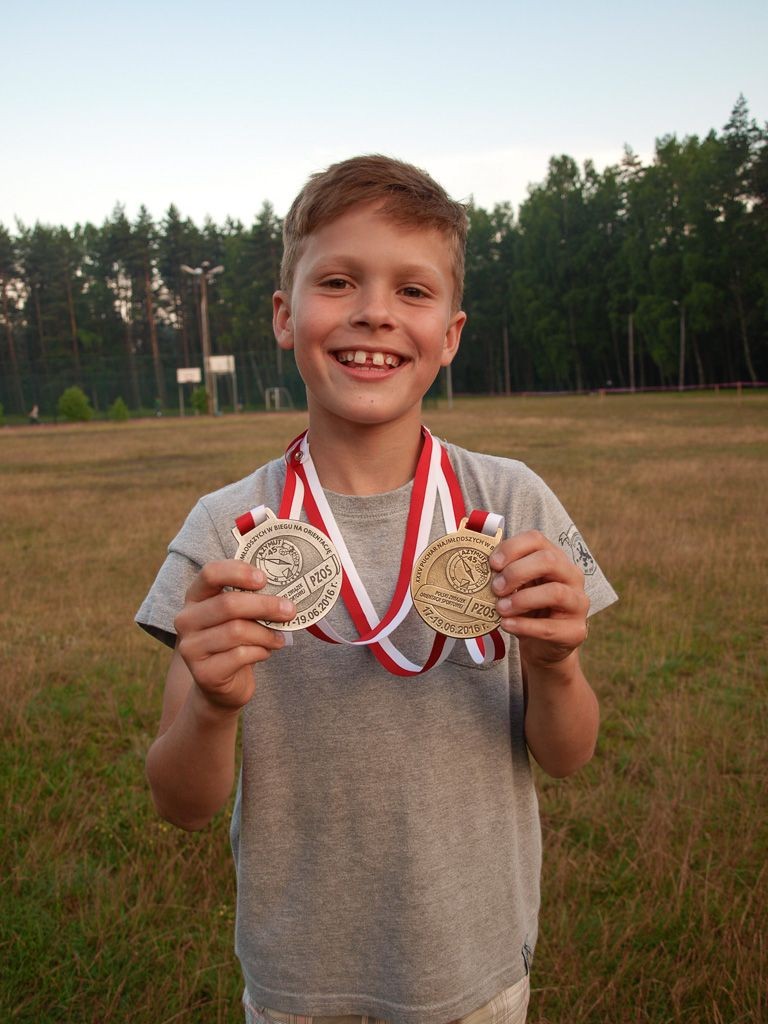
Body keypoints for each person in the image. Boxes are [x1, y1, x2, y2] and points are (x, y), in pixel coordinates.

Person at [137, 155, 617, 1024]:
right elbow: (179, 802)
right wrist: (210, 708)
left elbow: (570, 753)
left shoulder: (513, 505)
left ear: (452, 333)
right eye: (338, 280)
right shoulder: (226, 529)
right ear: (286, 316)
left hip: (474, 971)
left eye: (414, 291)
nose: (374, 313)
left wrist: (554, 667)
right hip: (299, 982)